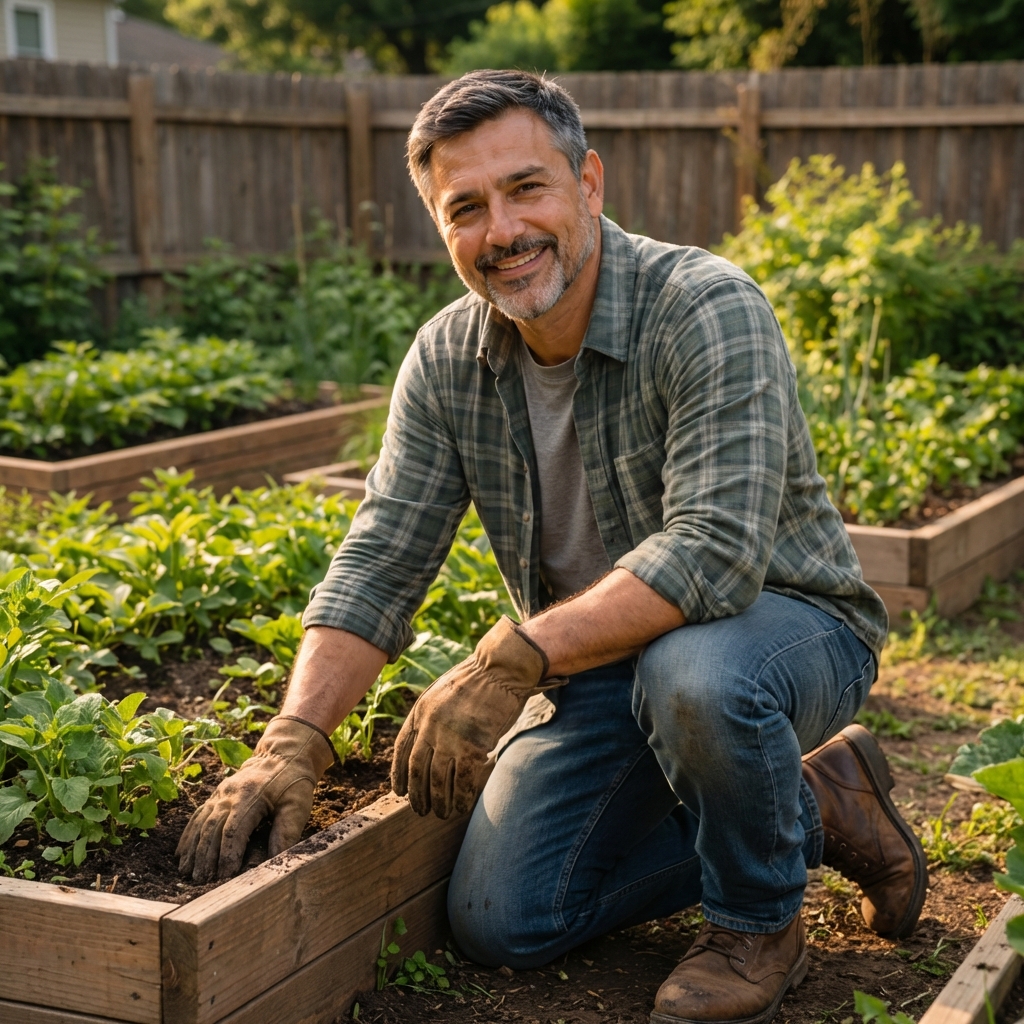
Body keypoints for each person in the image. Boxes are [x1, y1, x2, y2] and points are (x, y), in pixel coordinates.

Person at [176, 69, 926, 1024]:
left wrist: (514, 657)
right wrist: (292, 742)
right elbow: (382, 555)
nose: (502, 232)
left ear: (590, 185)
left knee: (693, 673)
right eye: (467, 208)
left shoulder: (702, 306)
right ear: (441, 229)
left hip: (778, 629)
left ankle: (756, 921)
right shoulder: (449, 360)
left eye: (527, 188)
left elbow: (714, 555)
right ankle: (817, 805)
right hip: (604, 664)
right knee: (506, 917)